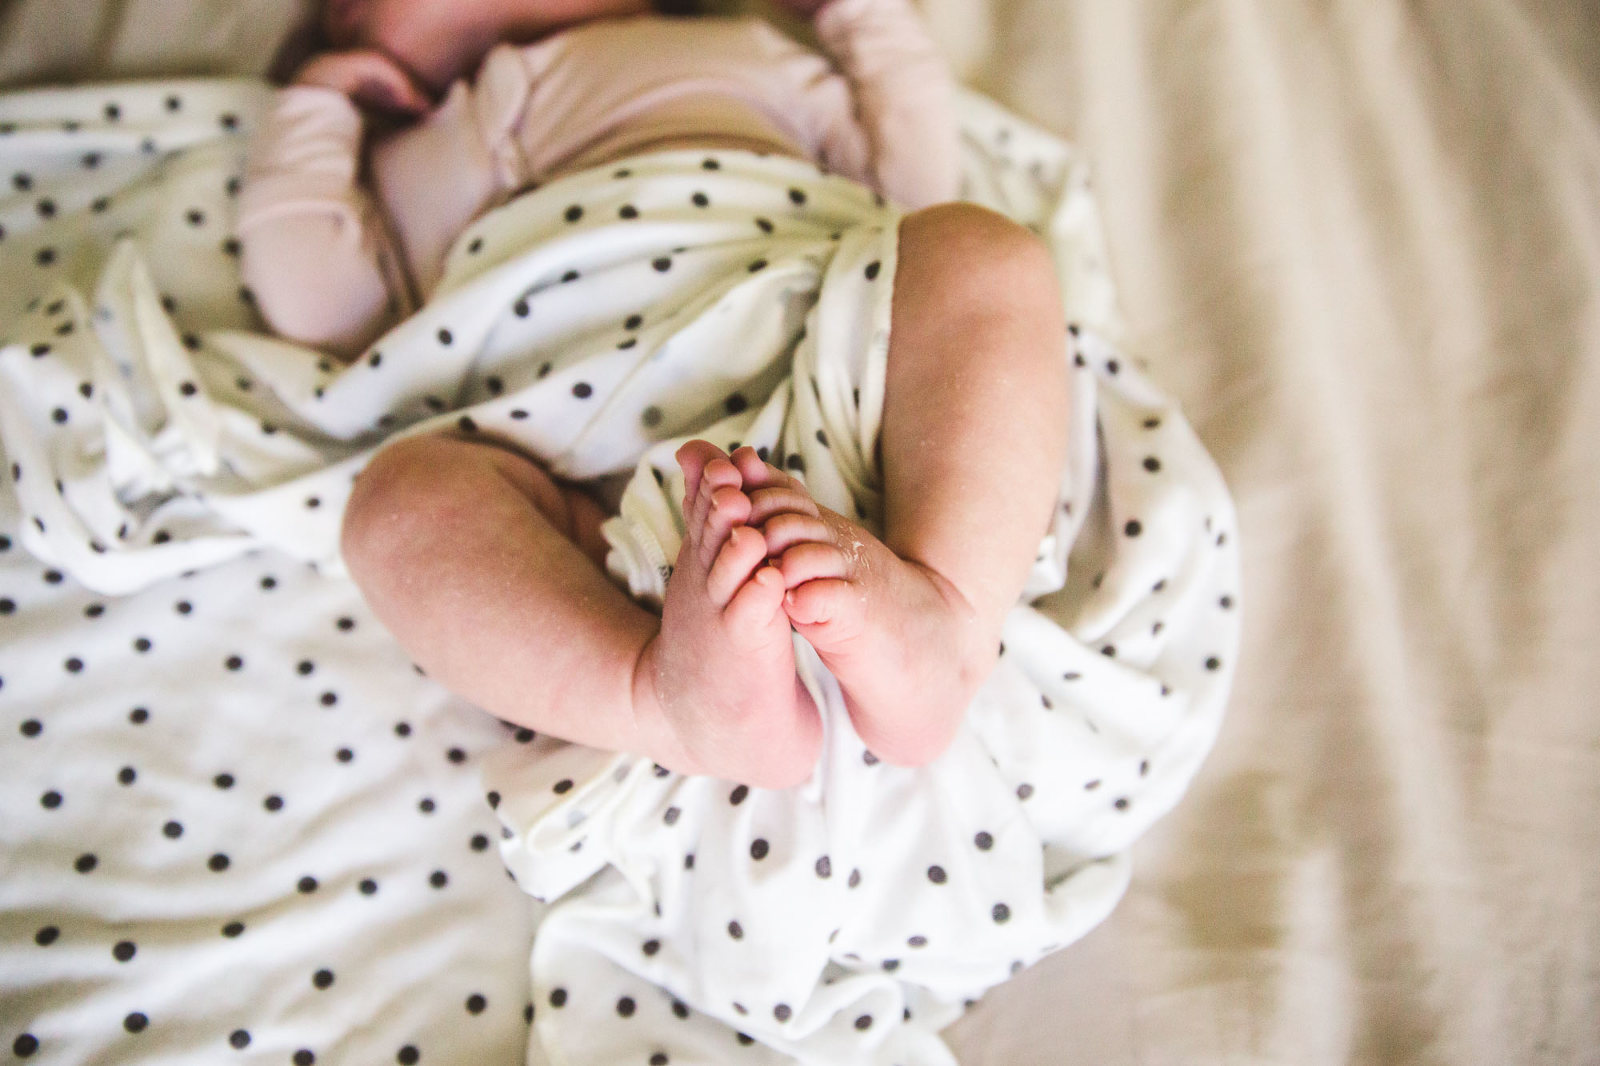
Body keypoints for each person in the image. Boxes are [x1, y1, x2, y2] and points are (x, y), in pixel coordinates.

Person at [242, 0, 1073, 790]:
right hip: (581, 489)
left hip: (842, 357)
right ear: (354, 21)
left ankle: (944, 620)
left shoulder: (745, 52)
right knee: (396, 504)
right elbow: (325, 309)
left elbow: (912, 182)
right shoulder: (424, 145)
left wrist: (856, 15)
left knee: (977, 250)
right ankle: (666, 698)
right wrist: (317, 106)